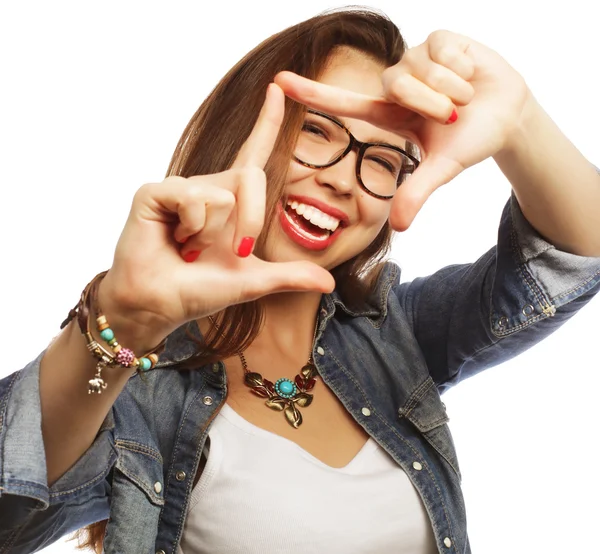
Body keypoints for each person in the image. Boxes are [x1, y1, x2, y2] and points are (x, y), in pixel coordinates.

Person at [0, 6, 598, 554]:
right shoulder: (134, 381)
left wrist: (520, 121)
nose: (343, 179)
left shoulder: (396, 334)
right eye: (317, 130)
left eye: (384, 161)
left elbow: (570, 259)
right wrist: (124, 321)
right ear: (243, 126)